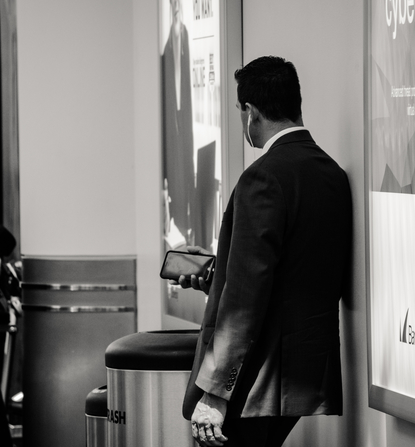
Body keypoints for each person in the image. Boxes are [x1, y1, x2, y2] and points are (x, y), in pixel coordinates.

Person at [176, 56, 352, 446]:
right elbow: (294, 271)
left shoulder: (263, 177)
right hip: (302, 377)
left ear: (251, 112)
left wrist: (215, 393)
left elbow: (244, 300)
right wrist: (214, 276)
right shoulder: (332, 174)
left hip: (255, 382)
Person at [162, 0, 196, 246]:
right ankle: (178, 221)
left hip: (181, 120)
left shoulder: (182, 34)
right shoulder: (171, 37)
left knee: (183, 164)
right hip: (172, 120)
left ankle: (185, 223)